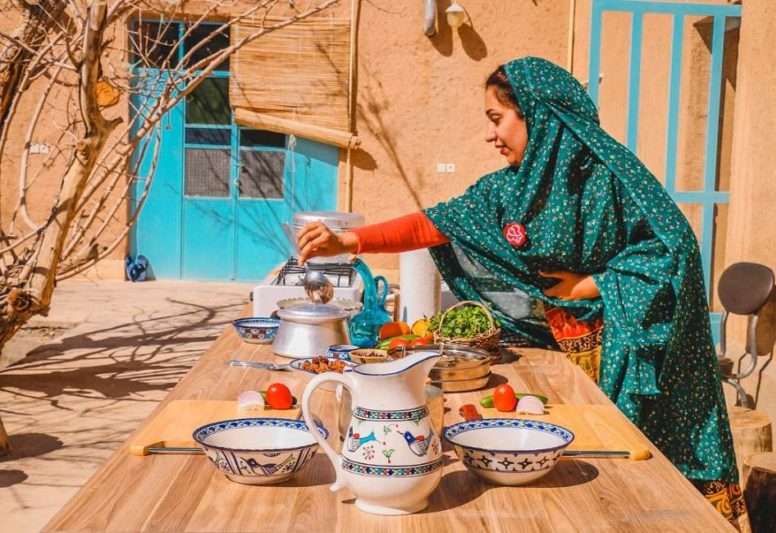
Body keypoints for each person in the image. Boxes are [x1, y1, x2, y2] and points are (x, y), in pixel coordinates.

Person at [295, 57, 744, 524]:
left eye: (497, 119)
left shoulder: (611, 180)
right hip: (565, 359)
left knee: (646, 487)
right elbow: (437, 223)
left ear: (538, 115)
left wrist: (594, 284)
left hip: (633, 357)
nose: (490, 135)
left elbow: (675, 250)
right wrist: (349, 241)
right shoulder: (511, 190)